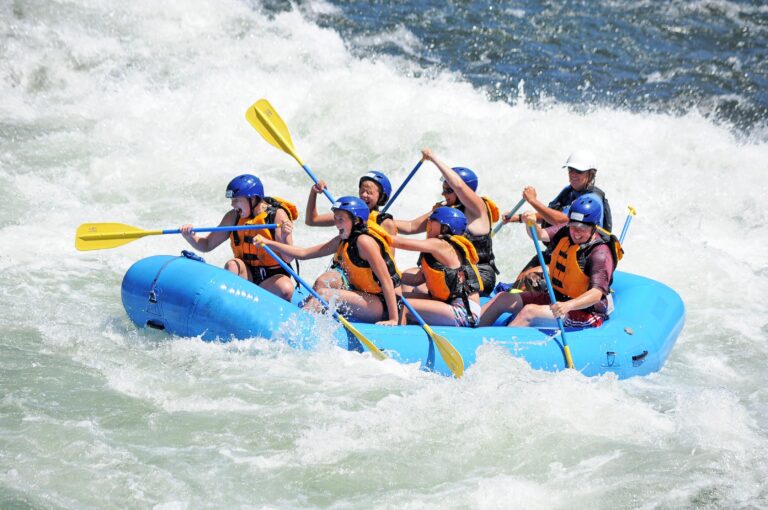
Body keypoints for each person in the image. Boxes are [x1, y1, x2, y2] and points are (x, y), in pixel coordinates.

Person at [480, 195, 622, 328]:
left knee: (529, 311)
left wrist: (569, 305)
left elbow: (597, 293)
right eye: (573, 227)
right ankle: (468, 332)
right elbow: (540, 235)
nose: (576, 233)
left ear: (594, 227)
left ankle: (497, 349)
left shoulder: (600, 254)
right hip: (556, 297)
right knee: (503, 298)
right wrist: (531, 224)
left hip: (585, 312)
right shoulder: (566, 231)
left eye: (583, 229)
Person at [255, 196, 401, 325]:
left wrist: (393, 319)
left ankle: (297, 326)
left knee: (325, 295)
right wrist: (268, 243)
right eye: (335, 218)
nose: (336, 224)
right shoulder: (343, 239)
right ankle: (306, 314)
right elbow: (304, 253)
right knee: (322, 283)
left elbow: (386, 280)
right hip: (358, 291)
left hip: (378, 304)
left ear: (356, 220)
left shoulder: (365, 242)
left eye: (341, 219)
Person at [502, 149, 613, 291]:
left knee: (529, 280)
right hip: (559, 250)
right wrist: (518, 218)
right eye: (571, 170)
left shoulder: (592, 200)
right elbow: (552, 212)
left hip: (577, 261)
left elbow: (564, 220)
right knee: (517, 284)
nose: (573, 174)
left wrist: (533, 201)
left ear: (591, 174)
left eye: (578, 171)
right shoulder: (569, 191)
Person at [396, 148, 500, 295]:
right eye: (443, 189)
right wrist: (376, 221)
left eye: (448, 190)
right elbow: (411, 226)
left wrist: (434, 158)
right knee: (407, 278)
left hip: (478, 275)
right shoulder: (447, 211)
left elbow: (458, 185)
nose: (443, 193)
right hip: (451, 270)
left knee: (419, 289)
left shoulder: (478, 210)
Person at [179, 174, 298, 301]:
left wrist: (286, 236)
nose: (232, 204)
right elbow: (206, 244)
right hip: (246, 274)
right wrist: (190, 237)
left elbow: (288, 258)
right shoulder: (233, 217)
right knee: (232, 265)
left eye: (236, 200)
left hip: (273, 278)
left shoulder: (276, 216)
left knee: (285, 288)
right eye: (232, 200)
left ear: (252, 199)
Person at [305, 171, 398, 291]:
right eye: (362, 191)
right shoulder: (348, 213)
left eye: (369, 193)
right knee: (321, 283)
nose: (364, 195)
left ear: (381, 197)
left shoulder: (386, 223)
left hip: (368, 279)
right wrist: (314, 193)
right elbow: (312, 220)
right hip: (345, 273)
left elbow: (388, 262)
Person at [392, 207, 483, 327]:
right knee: (395, 298)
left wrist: (376, 234)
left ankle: (398, 337)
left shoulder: (441, 245)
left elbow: (402, 243)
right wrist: (390, 276)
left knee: (404, 305)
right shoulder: (437, 250)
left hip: (464, 312)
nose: (427, 225)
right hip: (449, 303)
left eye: (432, 221)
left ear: (445, 227)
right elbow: (416, 279)